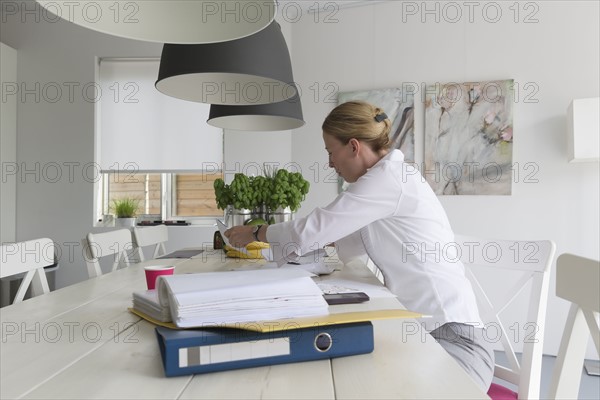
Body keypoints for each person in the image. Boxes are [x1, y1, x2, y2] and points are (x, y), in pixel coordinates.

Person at [225, 100, 494, 391]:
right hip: (422, 333)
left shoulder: (388, 180)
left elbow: (317, 228)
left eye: (330, 152)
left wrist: (257, 232)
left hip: (454, 344)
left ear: (353, 146)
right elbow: (339, 242)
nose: (329, 163)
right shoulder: (386, 182)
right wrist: (277, 256)